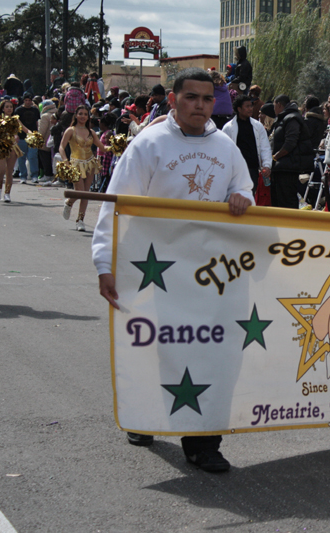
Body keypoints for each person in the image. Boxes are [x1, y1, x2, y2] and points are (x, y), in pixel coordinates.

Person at [92, 68, 253, 472]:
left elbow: (244, 187)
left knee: (212, 351)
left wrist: (240, 196)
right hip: (156, 268)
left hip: (210, 271)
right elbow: (117, 204)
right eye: (191, 97)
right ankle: (144, 417)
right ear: (173, 100)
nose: (200, 105)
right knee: (158, 347)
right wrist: (104, 262)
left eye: (207, 98)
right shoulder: (148, 144)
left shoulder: (225, 146)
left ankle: (203, 442)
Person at [59, 105, 109, 231]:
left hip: (90, 163)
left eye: (85, 114)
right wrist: (65, 161)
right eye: (80, 113)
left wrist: (117, 147)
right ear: (76, 115)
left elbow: (102, 148)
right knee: (79, 191)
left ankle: (80, 220)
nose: (83, 116)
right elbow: (61, 147)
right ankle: (69, 203)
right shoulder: (70, 130)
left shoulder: (91, 132)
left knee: (86, 194)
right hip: (75, 164)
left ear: (88, 117)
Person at [222, 95, 272, 196]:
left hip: (252, 169)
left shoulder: (258, 126)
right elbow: (223, 151)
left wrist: (267, 165)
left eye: (251, 106)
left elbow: (265, 147)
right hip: (236, 171)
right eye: (247, 106)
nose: (250, 109)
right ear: (239, 109)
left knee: (250, 196)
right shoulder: (228, 128)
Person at [270, 94, 313, 208]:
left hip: (288, 167)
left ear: (279, 105)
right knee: (278, 200)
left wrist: (275, 157)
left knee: (286, 201)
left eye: (274, 106)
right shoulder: (284, 118)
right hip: (281, 167)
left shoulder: (292, 118)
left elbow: (290, 143)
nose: (274, 109)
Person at [0, 100, 26, 203]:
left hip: (12, 147)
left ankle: (7, 193)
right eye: (7, 107)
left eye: (11, 107)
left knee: (9, 171)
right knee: (1, 170)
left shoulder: (15, 120)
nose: (9, 109)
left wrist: (32, 135)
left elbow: (25, 129)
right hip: (1, 147)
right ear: (3, 108)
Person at [14, 93, 41, 184]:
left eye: (29, 100)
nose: (28, 102)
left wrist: (37, 133)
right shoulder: (18, 110)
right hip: (21, 136)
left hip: (33, 136)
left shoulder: (35, 110)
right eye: (26, 100)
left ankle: (34, 175)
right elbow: (17, 124)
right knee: (21, 157)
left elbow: (37, 122)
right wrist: (16, 134)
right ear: (23, 101)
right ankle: (23, 176)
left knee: (32, 156)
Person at [37, 99, 57, 185]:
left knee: (45, 158)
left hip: (45, 141)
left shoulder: (45, 116)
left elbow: (42, 130)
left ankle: (47, 174)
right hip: (54, 140)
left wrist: (38, 139)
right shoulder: (56, 113)